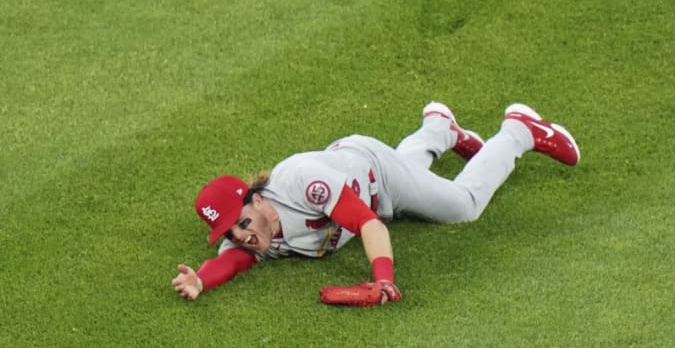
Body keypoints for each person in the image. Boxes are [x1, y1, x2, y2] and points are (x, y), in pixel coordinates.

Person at [172, 102, 580, 306]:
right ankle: (438, 127)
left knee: (463, 205)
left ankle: (518, 131)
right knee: (416, 185)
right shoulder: (247, 236)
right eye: (230, 231)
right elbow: (230, 261)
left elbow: (369, 224)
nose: (242, 236)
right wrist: (201, 281)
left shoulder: (300, 183)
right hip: (360, 174)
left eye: (242, 223)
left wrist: (382, 277)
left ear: (257, 200)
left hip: (376, 173)